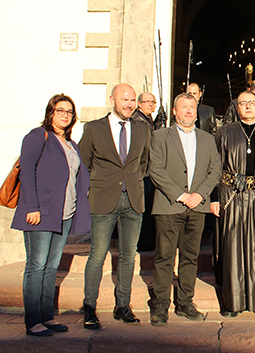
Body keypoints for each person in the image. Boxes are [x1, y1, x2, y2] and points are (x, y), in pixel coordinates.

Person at [11, 94, 91, 336]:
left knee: (52, 266)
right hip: (41, 212)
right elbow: (27, 172)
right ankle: (33, 320)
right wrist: (32, 207)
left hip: (64, 214)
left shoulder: (71, 144)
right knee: (36, 265)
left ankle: (47, 316)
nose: (65, 115)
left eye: (69, 112)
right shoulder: (38, 136)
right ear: (50, 113)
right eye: (60, 110)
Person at [79, 83, 152, 328]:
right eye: (124, 99)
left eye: (132, 100)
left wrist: (132, 182)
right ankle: (89, 307)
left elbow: (144, 163)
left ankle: (123, 306)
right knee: (98, 254)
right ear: (112, 99)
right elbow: (84, 162)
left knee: (128, 256)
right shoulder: (93, 128)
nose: (129, 104)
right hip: (103, 199)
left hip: (133, 200)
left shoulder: (142, 129)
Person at [148, 93, 221, 325]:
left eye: (192, 107)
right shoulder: (160, 136)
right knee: (165, 257)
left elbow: (215, 170)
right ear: (174, 111)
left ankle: (185, 302)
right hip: (169, 206)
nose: (189, 111)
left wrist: (199, 195)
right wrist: (181, 195)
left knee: (190, 257)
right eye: (184, 107)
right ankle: (161, 303)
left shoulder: (207, 139)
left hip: (197, 207)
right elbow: (155, 169)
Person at [213, 91, 255, 317]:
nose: (248, 106)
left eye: (252, 103)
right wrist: (215, 197)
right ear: (237, 107)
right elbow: (216, 166)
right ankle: (233, 302)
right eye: (243, 103)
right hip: (233, 195)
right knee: (233, 248)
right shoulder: (224, 132)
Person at [133, 92, 158, 251]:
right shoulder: (137, 120)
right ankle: (142, 242)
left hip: (149, 170)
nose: (150, 104)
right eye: (147, 101)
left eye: (152, 102)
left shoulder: (148, 119)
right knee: (143, 207)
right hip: (142, 170)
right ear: (139, 104)